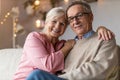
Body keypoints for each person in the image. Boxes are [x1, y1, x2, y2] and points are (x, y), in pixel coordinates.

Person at [13, 4, 115, 80]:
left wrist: (101, 29)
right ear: (46, 22)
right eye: (71, 19)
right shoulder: (67, 45)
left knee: (35, 75)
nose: (75, 21)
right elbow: (48, 66)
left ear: (91, 17)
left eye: (79, 15)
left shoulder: (104, 37)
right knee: (35, 75)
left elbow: (100, 68)